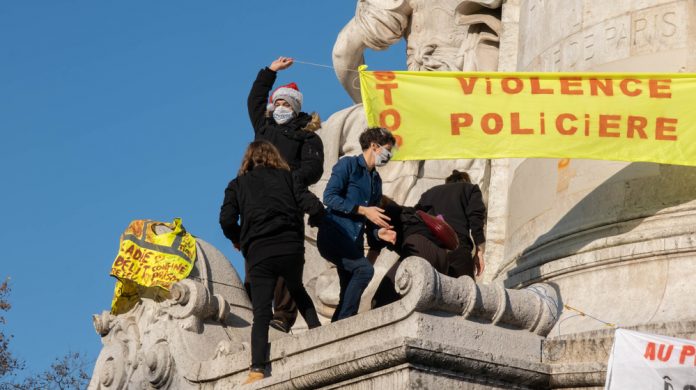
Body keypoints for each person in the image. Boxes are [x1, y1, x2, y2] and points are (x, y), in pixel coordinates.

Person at [219, 141, 324, 385]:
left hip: (259, 252)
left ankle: (257, 369)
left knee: (262, 313)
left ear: (248, 160)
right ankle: (319, 333)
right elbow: (313, 205)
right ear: (275, 157)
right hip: (290, 247)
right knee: (296, 289)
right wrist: (318, 221)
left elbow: (225, 220)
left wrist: (239, 239)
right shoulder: (288, 177)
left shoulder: (237, 185)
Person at [247, 56, 324, 333]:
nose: (280, 107)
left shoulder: (307, 137)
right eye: (277, 102)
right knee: (255, 258)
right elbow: (254, 100)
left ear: (294, 108)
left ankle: (283, 315)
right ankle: (258, 308)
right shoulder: (264, 129)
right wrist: (269, 72)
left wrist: (288, 178)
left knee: (287, 263)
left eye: (285, 104)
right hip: (257, 203)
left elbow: (313, 168)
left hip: (288, 203)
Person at [317, 127, 397, 322]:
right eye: (387, 149)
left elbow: (372, 221)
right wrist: (362, 209)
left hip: (354, 242)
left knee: (347, 293)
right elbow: (329, 197)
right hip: (334, 234)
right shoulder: (348, 165)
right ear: (374, 146)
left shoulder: (376, 181)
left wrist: (380, 234)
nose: (389, 155)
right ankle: (346, 323)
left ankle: (337, 328)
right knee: (365, 270)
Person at [416, 170, 487, 279]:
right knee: (464, 292)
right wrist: (479, 251)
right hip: (456, 245)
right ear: (465, 181)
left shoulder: (429, 193)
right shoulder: (470, 188)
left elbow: (416, 218)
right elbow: (476, 218)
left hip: (429, 247)